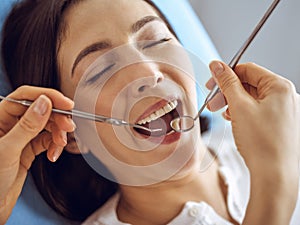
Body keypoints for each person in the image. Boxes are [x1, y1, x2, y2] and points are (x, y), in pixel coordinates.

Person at [0, 0, 299, 224]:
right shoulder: (278, 163)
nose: (147, 72)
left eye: (157, 40)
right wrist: (275, 182)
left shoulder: (284, 139)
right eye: (101, 70)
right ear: (72, 133)